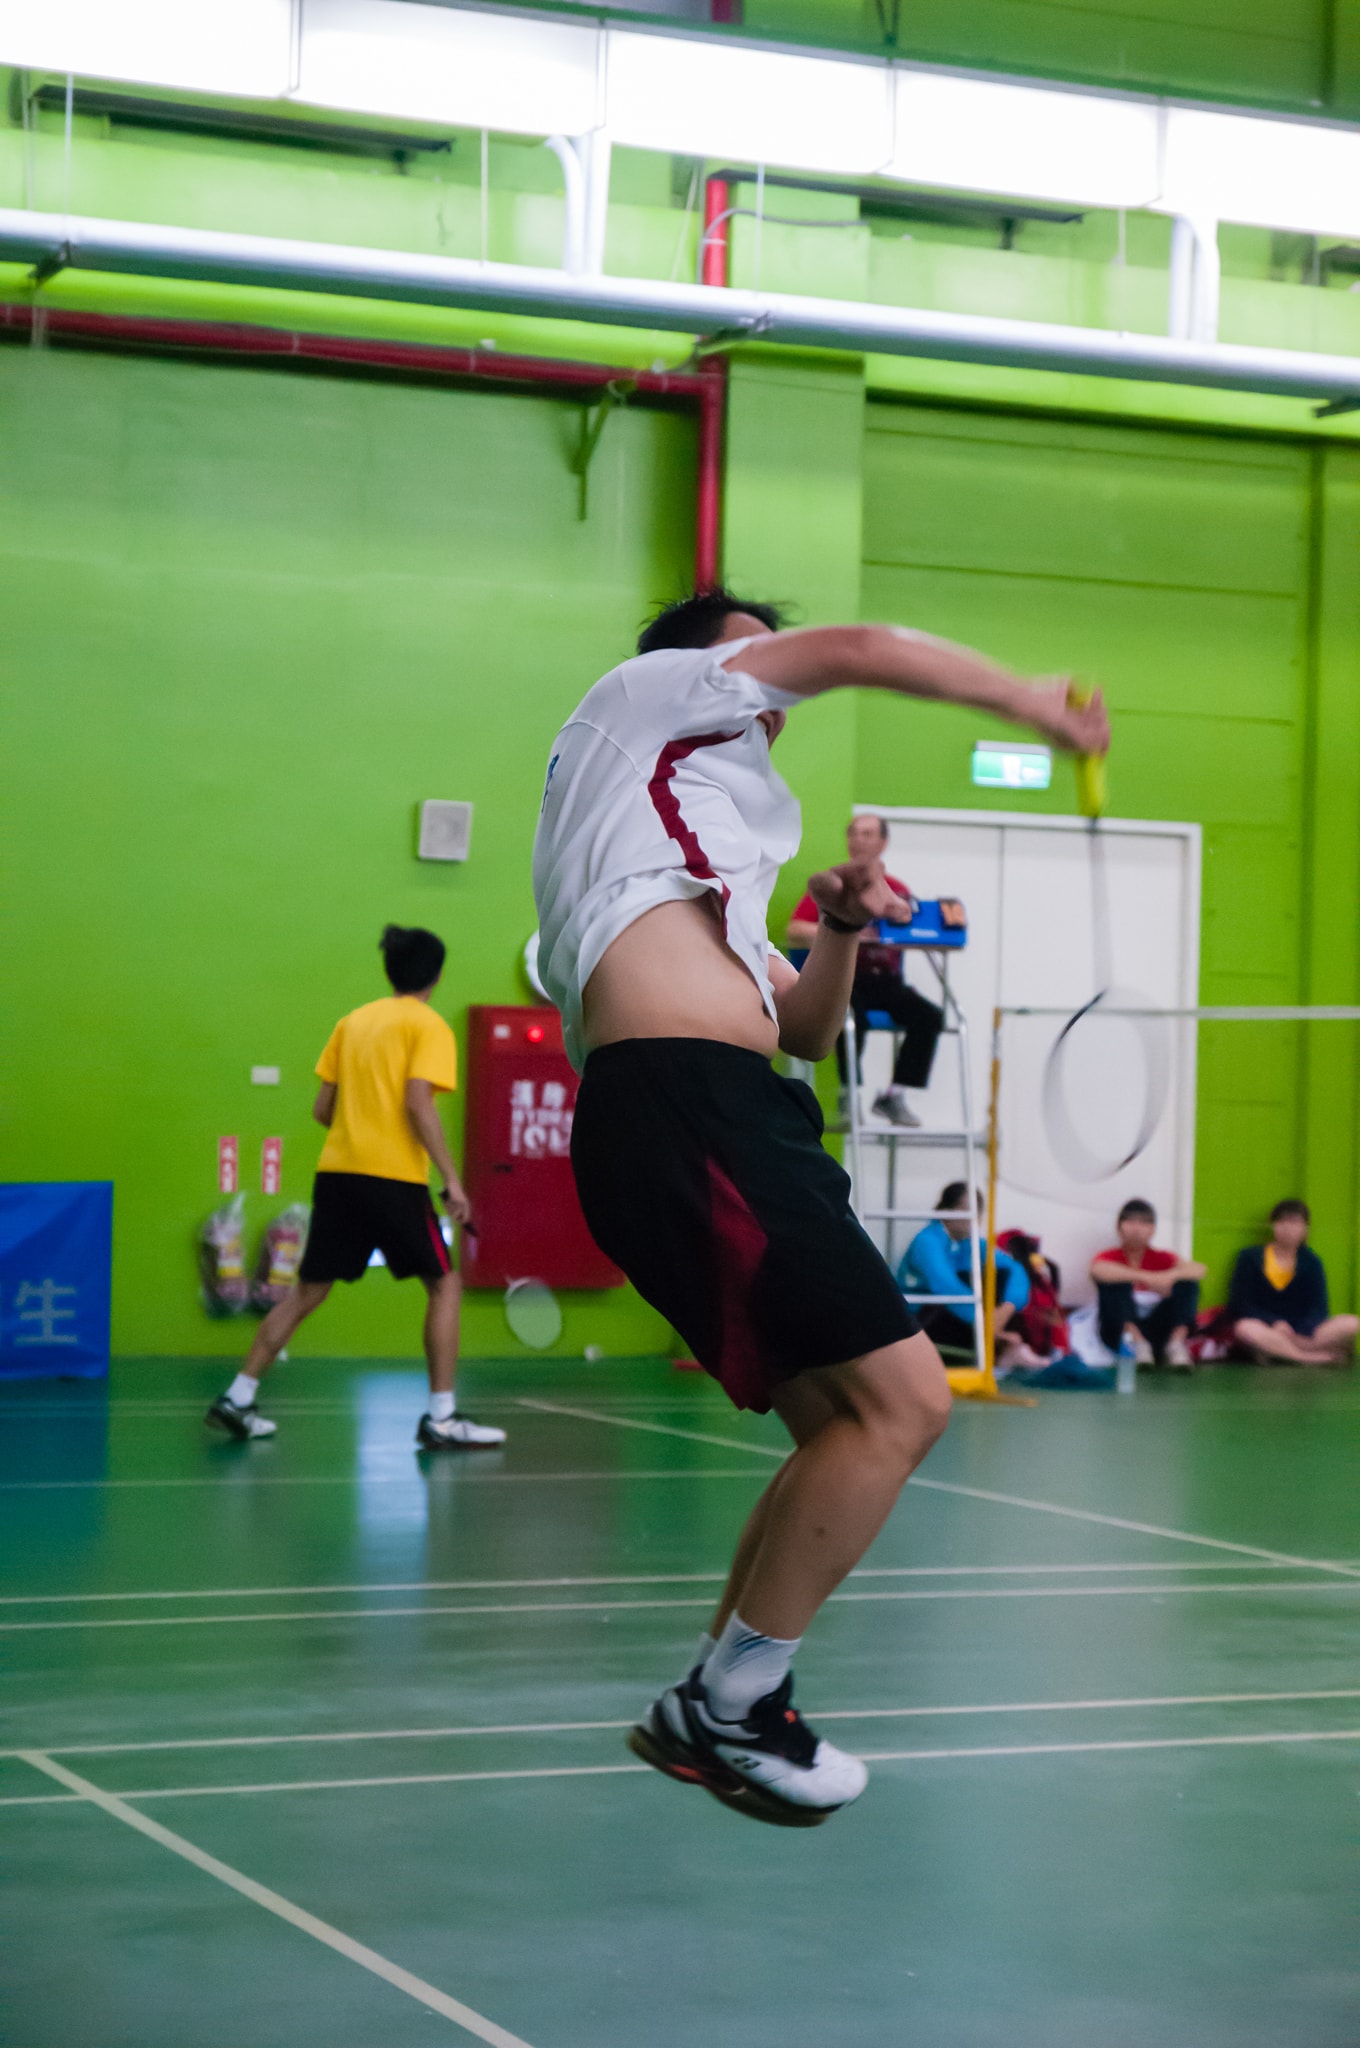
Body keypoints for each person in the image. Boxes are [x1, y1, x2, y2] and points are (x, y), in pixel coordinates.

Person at [532, 584, 1107, 1826]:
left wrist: (839, 926)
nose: (774, 676)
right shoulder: (639, 701)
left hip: (720, 1110)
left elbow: (799, 1028)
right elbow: (860, 647)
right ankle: (733, 1703)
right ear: (691, 666)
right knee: (905, 1402)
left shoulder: (685, 852)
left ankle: (714, 1695)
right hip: (691, 1108)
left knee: (847, 1423)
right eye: (750, 650)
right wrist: (1027, 702)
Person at [206, 925, 505, 1451]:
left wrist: (360, 1127)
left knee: (307, 1291)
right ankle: (442, 1417)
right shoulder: (429, 1026)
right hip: (393, 1178)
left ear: (392, 972)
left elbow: (323, 1109)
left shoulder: (354, 1022)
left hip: (338, 1175)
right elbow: (418, 1103)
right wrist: (453, 1180)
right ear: (436, 975)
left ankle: (238, 1396)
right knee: (444, 1285)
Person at [786, 814, 941, 1127]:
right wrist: (850, 929)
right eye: (854, 833)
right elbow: (795, 930)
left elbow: (911, 930)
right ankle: (849, 1095)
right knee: (851, 1017)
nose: (859, 840)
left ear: (883, 842)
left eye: (868, 834)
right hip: (847, 979)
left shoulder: (897, 890)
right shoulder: (835, 886)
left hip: (885, 981)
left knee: (929, 1016)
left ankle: (894, 1095)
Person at [897, 1183, 1032, 1366]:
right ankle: (999, 1348)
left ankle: (999, 1346)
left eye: (977, 1212)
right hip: (919, 1318)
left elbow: (1014, 1269)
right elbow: (944, 1286)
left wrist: (1008, 1306)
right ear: (946, 1211)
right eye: (966, 1210)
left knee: (1002, 1275)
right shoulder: (927, 1241)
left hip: (959, 1316)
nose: (973, 1218)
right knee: (968, 1286)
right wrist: (984, 1323)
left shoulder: (970, 1243)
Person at [1227, 1199, 1358, 1364]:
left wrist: (1296, 1331)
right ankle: (1306, 1357)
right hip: (1266, 1327)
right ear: (1272, 1226)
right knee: (1244, 1328)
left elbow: (1319, 1308)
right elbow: (1239, 1303)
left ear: (1305, 1229)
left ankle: (1280, 1351)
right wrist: (1274, 1322)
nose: (1288, 1228)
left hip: (1302, 1331)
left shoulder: (1312, 1262)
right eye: (1282, 1222)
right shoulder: (1249, 1257)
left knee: (1352, 1323)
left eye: (1295, 1223)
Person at [1090, 1198, 1204, 1372]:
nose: (1136, 1228)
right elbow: (1098, 1270)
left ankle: (1175, 1345)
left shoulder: (1162, 1258)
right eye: (1130, 1221)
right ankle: (1138, 1345)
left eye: (1143, 1223)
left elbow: (1198, 1270)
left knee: (1188, 1284)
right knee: (1114, 1284)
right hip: (1121, 1334)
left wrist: (1168, 1277)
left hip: (1157, 1331)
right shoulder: (1110, 1256)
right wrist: (1147, 1278)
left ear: (1152, 1229)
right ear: (1119, 1227)